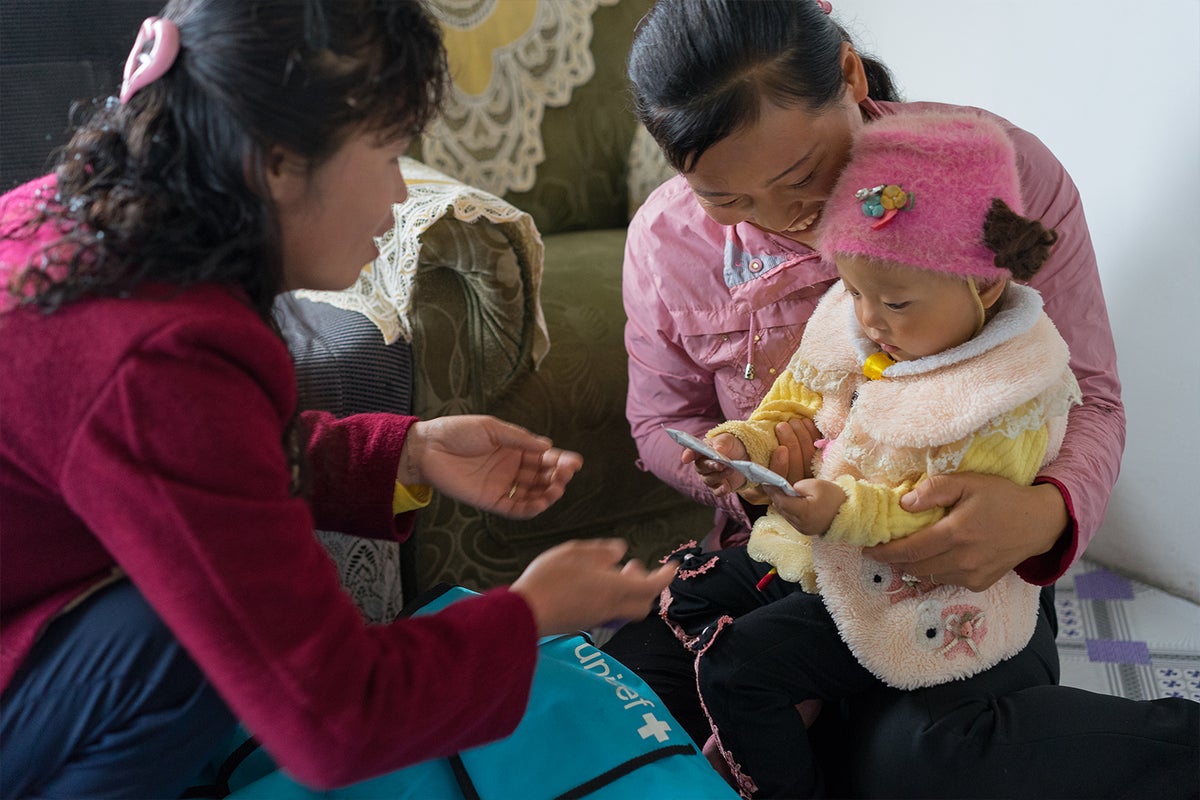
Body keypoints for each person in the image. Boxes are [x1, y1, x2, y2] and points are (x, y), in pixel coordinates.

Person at [0, 2, 675, 798]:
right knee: (180, 647)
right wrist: (527, 617)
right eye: (389, 153)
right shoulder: (155, 351)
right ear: (276, 162)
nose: (398, 197)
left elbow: (181, 463)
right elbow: (330, 718)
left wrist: (406, 452)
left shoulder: (86, 215)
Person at [604, 1, 1199, 797]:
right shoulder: (665, 244)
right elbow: (657, 422)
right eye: (728, 200)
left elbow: (1090, 395)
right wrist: (738, 459)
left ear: (848, 75)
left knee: (914, 761)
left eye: (798, 176)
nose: (788, 219)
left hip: (960, 576)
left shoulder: (998, 177)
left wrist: (1044, 516)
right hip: (783, 567)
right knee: (632, 709)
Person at [687, 111, 1080, 798]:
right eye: (854, 291)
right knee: (681, 602)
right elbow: (791, 401)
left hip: (918, 588)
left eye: (894, 302)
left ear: (984, 286)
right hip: (823, 551)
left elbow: (939, 524)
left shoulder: (1005, 396)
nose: (867, 321)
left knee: (740, 667)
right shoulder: (865, 326)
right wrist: (741, 445)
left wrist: (842, 507)